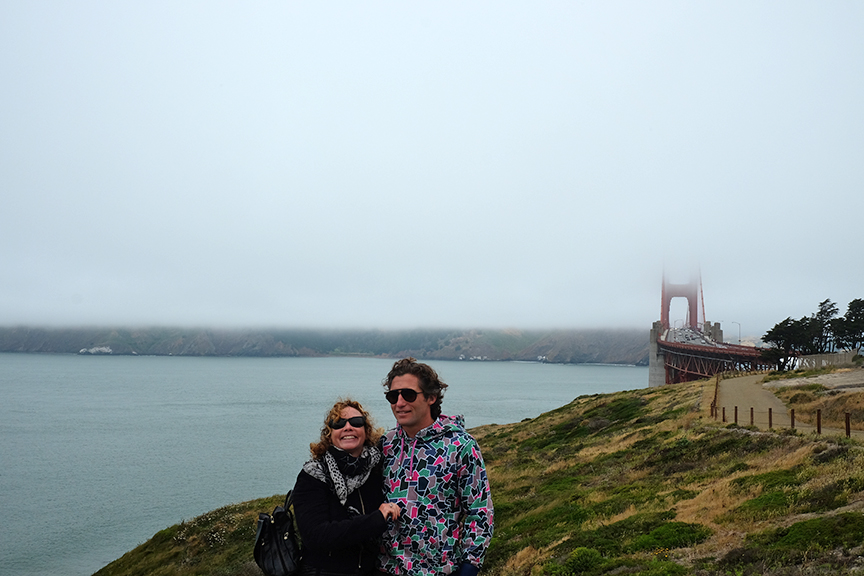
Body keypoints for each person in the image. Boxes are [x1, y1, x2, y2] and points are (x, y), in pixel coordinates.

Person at [378, 358, 494, 576]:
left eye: (409, 395)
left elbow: (480, 512)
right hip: (385, 569)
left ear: (431, 397)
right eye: (393, 396)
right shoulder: (386, 444)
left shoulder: (460, 446)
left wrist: (469, 568)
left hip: (439, 571)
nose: (399, 403)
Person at [293, 399, 401, 576]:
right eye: (339, 423)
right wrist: (376, 520)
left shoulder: (376, 469)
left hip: (370, 569)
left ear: (366, 431)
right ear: (330, 434)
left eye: (356, 422)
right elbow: (316, 536)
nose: (348, 427)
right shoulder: (313, 475)